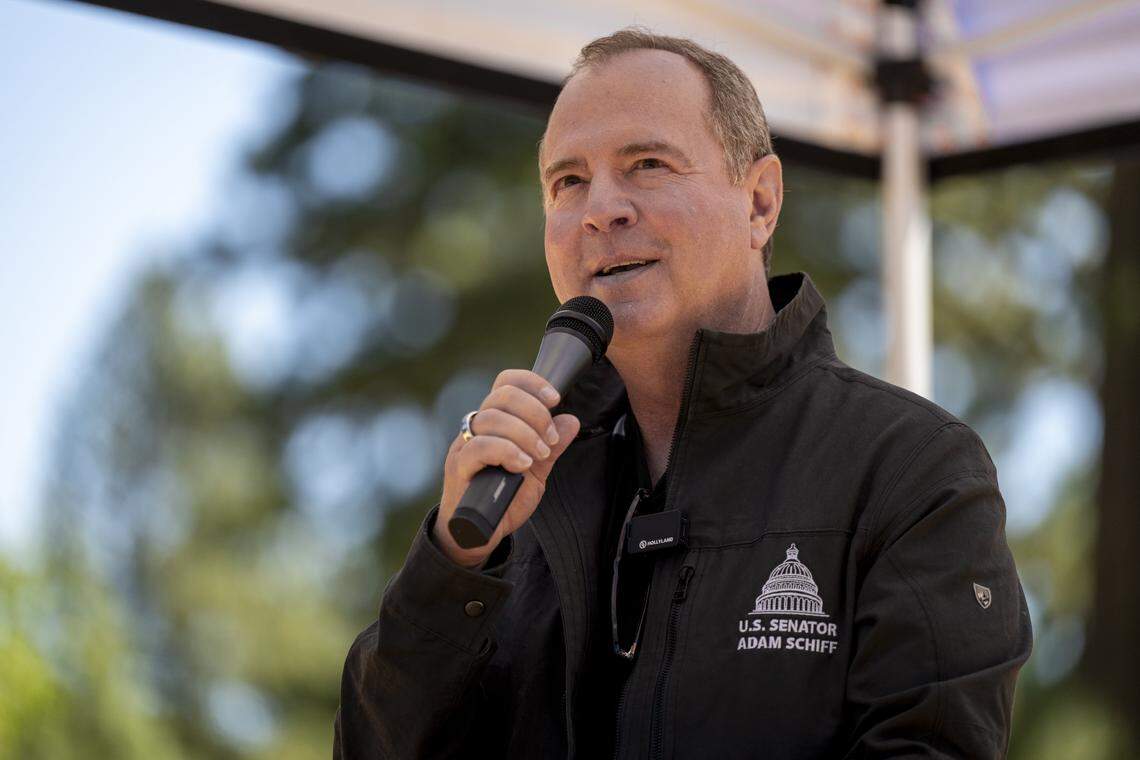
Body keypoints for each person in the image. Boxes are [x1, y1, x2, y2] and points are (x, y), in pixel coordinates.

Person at [333, 27, 1032, 759]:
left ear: (760, 204)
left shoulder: (911, 468)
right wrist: (455, 564)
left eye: (648, 164)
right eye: (568, 181)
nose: (602, 208)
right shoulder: (514, 495)